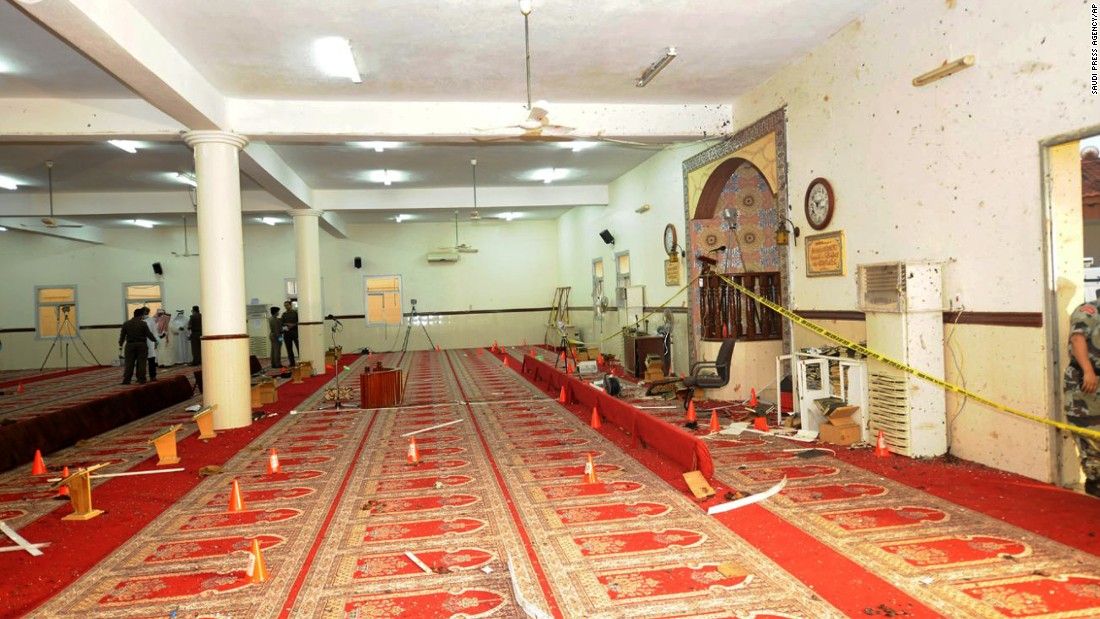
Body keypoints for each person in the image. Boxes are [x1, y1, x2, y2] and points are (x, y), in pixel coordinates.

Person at [1065, 299, 1100, 497]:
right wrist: (1088, 371)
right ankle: (1095, 483)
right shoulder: (1089, 311)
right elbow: (1077, 339)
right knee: (1088, 434)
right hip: (1086, 382)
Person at [118, 308, 157, 385]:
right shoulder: (143, 324)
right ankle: (141, 379)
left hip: (130, 345)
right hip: (141, 345)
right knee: (141, 363)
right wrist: (155, 340)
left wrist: (120, 344)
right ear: (140, 315)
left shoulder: (126, 324)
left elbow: (122, 336)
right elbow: (149, 334)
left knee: (129, 363)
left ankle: (126, 380)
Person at [141, 307, 160, 381]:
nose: (145, 313)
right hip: (141, 342)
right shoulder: (139, 320)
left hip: (150, 342)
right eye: (144, 312)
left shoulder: (151, 321)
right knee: (141, 361)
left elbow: (154, 332)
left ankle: (153, 376)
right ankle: (141, 376)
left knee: (151, 360)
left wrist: (156, 341)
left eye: (147, 312)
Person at [282, 300, 299, 367]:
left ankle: (301, 361)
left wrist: (293, 325)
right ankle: (292, 363)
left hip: (295, 332)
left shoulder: (295, 313)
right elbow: (282, 324)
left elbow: (298, 322)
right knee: (289, 349)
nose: (286, 306)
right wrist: (288, 327)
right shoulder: (284, 314)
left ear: (290, 305)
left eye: (287, 305)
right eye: (285, 305)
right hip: (287, 334)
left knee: (298, 348)